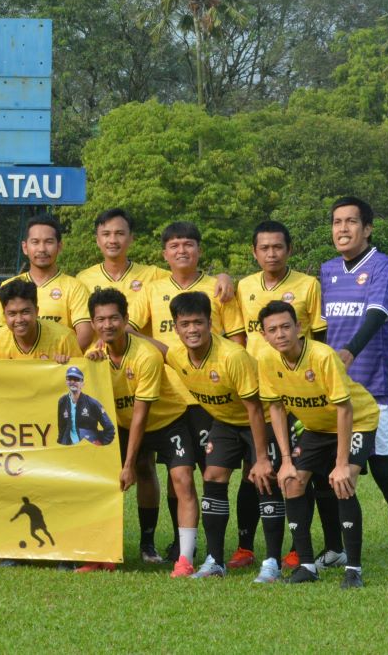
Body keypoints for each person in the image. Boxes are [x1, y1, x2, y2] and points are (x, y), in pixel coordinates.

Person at [129, 221, 244, 561]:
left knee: (212, 474)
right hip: (169, 399)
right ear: (164, 253)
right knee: (177, 473)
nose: (182, 250)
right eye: (174, 245)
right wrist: (166, 354)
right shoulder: (152, 289)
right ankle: (182, 545)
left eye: (188, 244)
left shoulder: (218, 288)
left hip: (210, 397)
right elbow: (129, 330)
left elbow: (238, 339)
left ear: (199, 250)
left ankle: (214, 546)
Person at [320, 196, 388, 581]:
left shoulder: (381, 264)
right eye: (337, 222)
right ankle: (335, 549)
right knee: (327, 471)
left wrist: (350, 350)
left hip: (372, 390)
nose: (342, 229)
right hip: (333, 392)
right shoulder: (327, 270)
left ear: (368, 228)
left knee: (385, 472)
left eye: (351, 221)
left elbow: (378, 313)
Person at [158, 292, 284, 582]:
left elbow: (255, 408)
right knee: (212, 475)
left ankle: (272, 562)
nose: (192, 330)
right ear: (176, 327)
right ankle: (215, 561)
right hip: (226, 422)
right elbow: (160, 349)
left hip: (261, 420)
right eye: (185, 324)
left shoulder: (232, 356)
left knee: (264, 479)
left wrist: (261, 458)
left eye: (198, 322)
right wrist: (125, 333)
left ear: (210, 323)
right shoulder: (177, 355)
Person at [234, 220, 334, 572]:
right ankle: (245, 546)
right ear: (254, 252)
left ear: (289, 249)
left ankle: (296, 548)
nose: (271, 253)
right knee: (254, 468)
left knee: (299, 469)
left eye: (278, 247)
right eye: (264, 248)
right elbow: (240, 338)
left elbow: (319, 340)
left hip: (299, 394)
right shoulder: (244, 286)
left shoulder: (308, 285)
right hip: (259, 393)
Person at [257, 300, 379, 588]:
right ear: (264, 335)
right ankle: (307, 566)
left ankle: (353, 570)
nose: (280, 334)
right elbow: (276, 408)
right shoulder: (266, 360)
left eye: (286, 327)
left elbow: (344, 409)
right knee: (291, 482)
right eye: (272, 330)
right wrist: (286, 461)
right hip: (316, 427)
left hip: (357, 420)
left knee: (342, 482)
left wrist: (341, 464)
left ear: (299, 327)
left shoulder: (323, 356)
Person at [86, 288, 198, 578]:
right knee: (106, 479)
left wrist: (128, 464)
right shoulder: (93, 357)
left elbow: (141, 413)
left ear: (126, 320)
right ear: (93, 323)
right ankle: (114, 551)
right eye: (101, 319)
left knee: (182, 479)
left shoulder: (147, 355)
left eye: (114, 318)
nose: (107, 325)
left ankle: (185, 558)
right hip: (124, 425)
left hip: (167, 421)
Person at [0, 215, 92, 350]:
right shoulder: (8, 286)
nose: (42, 249)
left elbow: (85, 334)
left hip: (60, 360)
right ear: (25, 247)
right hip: (16, 361)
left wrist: (55, 358)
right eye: (35, 242)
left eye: (49, 242)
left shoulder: (75, 287)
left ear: (59, 246)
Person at [0, 280, 82, 362]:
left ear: (36, 311)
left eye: (25, 312)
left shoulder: (64, 338)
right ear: (4, 316)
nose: (19, 320)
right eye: (12, 314)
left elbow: (80, 374)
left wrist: (64, 367)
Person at [56, 366, 115, 446]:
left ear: (82, 383)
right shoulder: (62, 401)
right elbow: (61, 428)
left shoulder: (92, 403)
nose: (72, 382)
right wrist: (60, 445)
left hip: (87, 448)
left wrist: (102, 442)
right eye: (69, 379)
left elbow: (110, 428)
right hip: (69, 448)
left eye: (76, 379)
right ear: (66, 382)